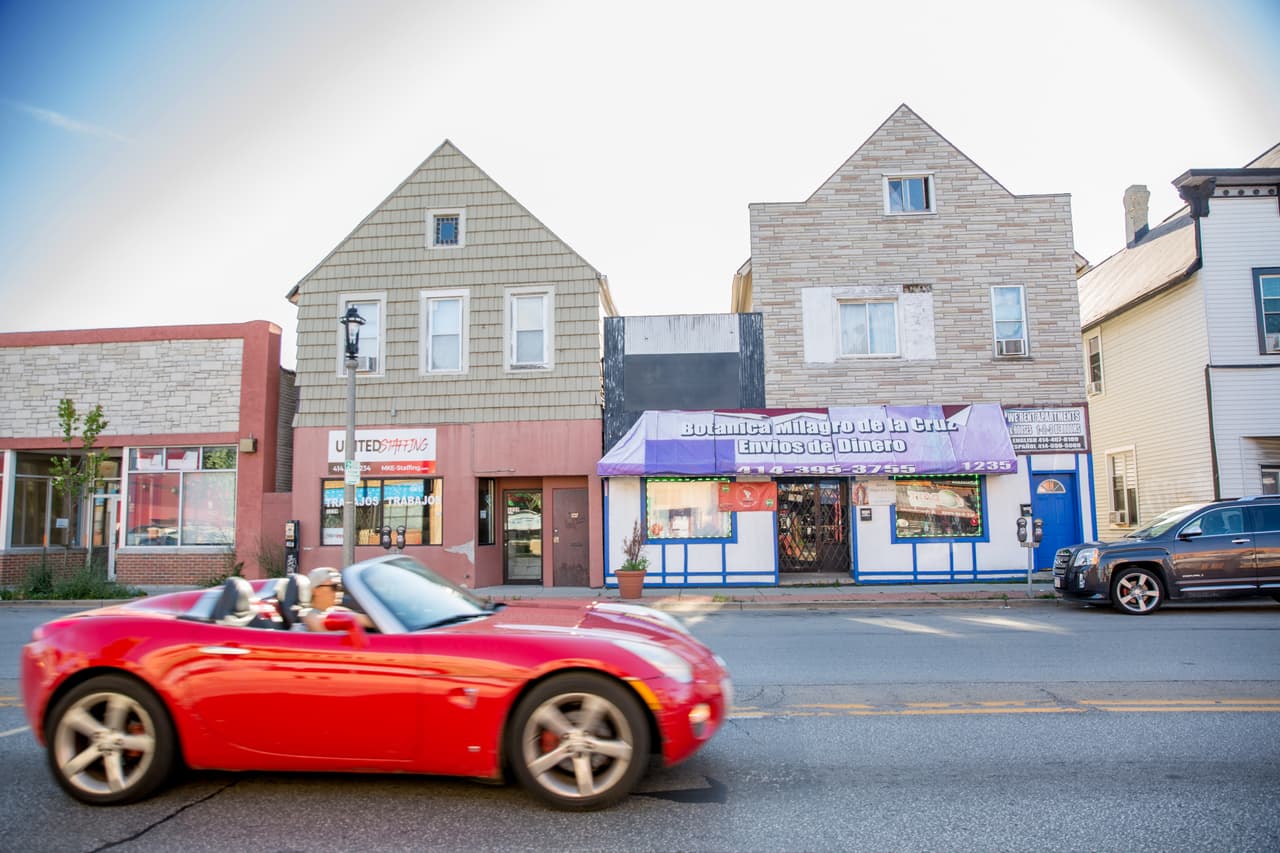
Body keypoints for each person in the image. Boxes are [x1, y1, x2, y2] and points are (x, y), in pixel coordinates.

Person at [303, 567, 375, 631]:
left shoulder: (337, 610)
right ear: (315, 590)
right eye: (334, 587)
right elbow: (325, 635)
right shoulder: (308, 615)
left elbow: (372, 622)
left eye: (340, 587)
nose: (339, 592)